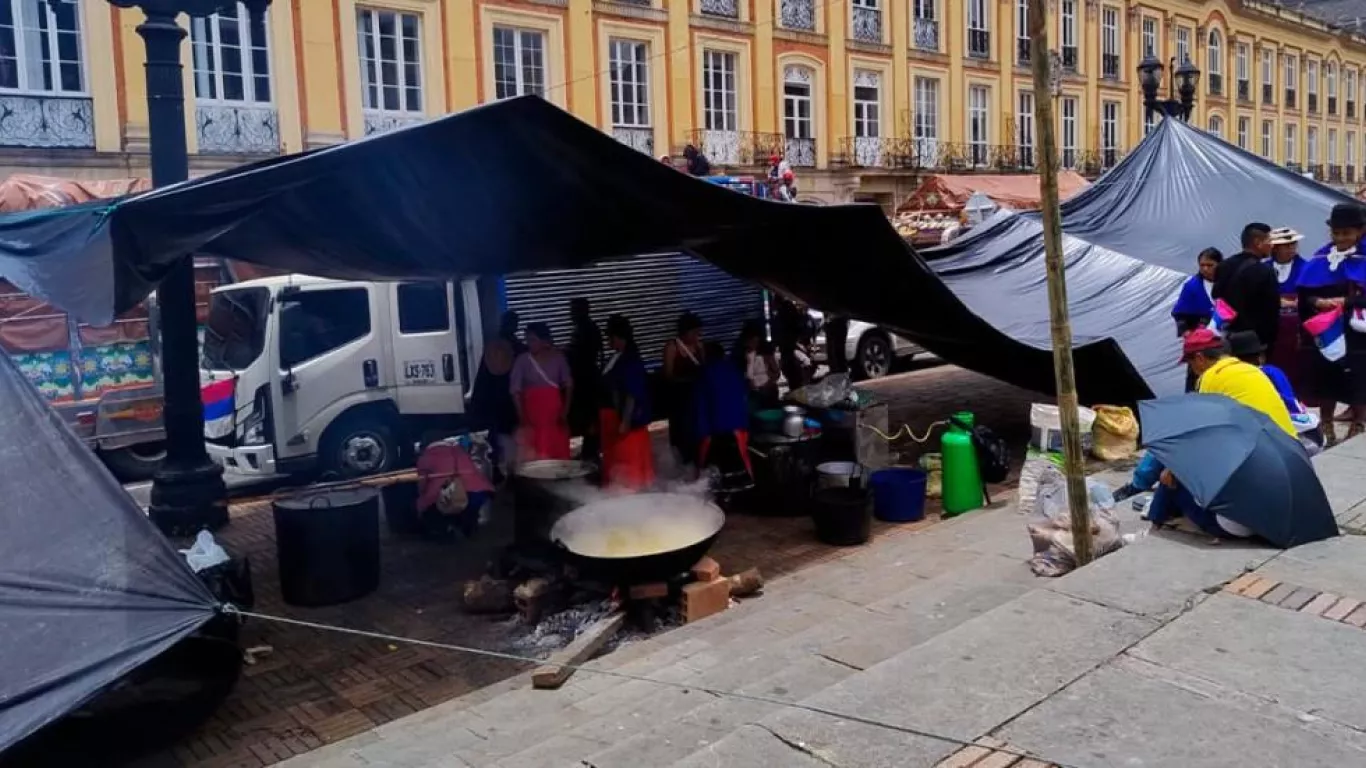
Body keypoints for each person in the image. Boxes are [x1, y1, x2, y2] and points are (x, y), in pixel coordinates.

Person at [1143, 329, 1296, 541]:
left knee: (1173, 474)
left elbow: (1201, 433)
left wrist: (1173, 468)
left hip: (1234, 523)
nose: (1192, 370)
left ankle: (1154, 523)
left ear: (1199, 358)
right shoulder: (1251, 371)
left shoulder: (1212, 377)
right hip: (1284, 469)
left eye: (1190, 363)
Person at [1298, 202, 1366, 442]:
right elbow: (1305, 295)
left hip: (1358, 333)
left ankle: (1359, 423)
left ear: (1359, 231)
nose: (1341, 238)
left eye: (1346, 233)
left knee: (1359, 378)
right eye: (1336, 233)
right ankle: (1326, 424)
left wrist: (1347, 301)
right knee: (1326, 377)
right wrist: (1317, 301)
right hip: (1327, 330)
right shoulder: (1321, 258)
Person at [600, 314, 655, 490]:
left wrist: (625, 420)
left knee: (627, 460)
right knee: (615, 459)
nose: (608, 341)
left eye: (610, 337)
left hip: (625, 422)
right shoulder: (616, 357)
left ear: (617, 337)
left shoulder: (630, 360)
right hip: (611, 419)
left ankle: (629, 491)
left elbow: (632, 393)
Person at [510, 322, 573, 462]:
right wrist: (522, 416)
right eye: (528, 340)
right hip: (532, 414)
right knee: (535, 449)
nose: (529, 344)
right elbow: (515, 390)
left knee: (556, 447)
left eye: (533, 340)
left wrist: (565, 412)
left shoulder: (558, 358)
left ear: (544, 341)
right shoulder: (522, 361)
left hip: (554, 413)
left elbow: (568, 385)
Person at [470, 311, 522, 479]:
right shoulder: (514, 346)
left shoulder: (493, 344)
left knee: (496, 436)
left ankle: (498, 468)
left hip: (492, 399)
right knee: (508, 435)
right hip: (507, 399)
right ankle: (509, 469)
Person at [693, 341, 754, 487]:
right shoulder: (734, 368)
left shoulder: (704, 372)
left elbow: (701, 403)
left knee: (705, 461)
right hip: (738, 421)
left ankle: (698, 483)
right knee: (744, 456)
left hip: (715, 423)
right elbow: (743, 393)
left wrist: (702, 430)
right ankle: (752, 481)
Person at [1212, 222, 1280, 350]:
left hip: (1226, 336)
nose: (1272, 245)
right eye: (1269, 241)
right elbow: (1272, 309)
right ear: (1258, 243)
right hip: (1254, 341)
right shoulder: (1265, 271)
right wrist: (1269, 340)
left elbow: (1216, 296)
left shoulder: (1224, 266)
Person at [1172, 247, 1224, 392]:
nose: (1205, 269)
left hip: (1225, 338)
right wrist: (1187, 332)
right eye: (1202, 265)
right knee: (1196, 378)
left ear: (1220, 264)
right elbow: (1180, 314)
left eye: (1210, 265)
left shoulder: (1230, 282)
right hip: (1200, 339)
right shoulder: (1192, 286)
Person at [663, 312, 705, 469]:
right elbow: (668, 375)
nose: (697, 336)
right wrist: (686, 381)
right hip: (679, 400)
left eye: (699, 333)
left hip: (696, 399)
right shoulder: (672, 347)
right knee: (681, 435)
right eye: (694, 333)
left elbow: (705, 369)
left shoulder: (699, 347)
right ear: (685, 332)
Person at [1267, 227, 1307, 389]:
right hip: (1271, 329)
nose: (1292, 248)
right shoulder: (1262, 269)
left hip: (1296, 330)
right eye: (1287, 245)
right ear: (1275, 247)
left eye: (1294, 244)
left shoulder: (1306, 267)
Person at [567, 298, 603, 462]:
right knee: (588, 417)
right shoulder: (589, 328)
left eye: (573, 310)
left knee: (589, 418)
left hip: (586, 380)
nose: (570, 313)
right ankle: (590, 450)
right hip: (588, 377)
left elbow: (579, 354)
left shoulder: (584, 330)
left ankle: (590, 453)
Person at [736, 319, 780, 408]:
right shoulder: (743, 355)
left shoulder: (766, 354)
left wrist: (769, 383)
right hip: (753, 394)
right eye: (749, 340)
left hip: (767, 392)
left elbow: (776, 372)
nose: (751, 343)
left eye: (754, 339)